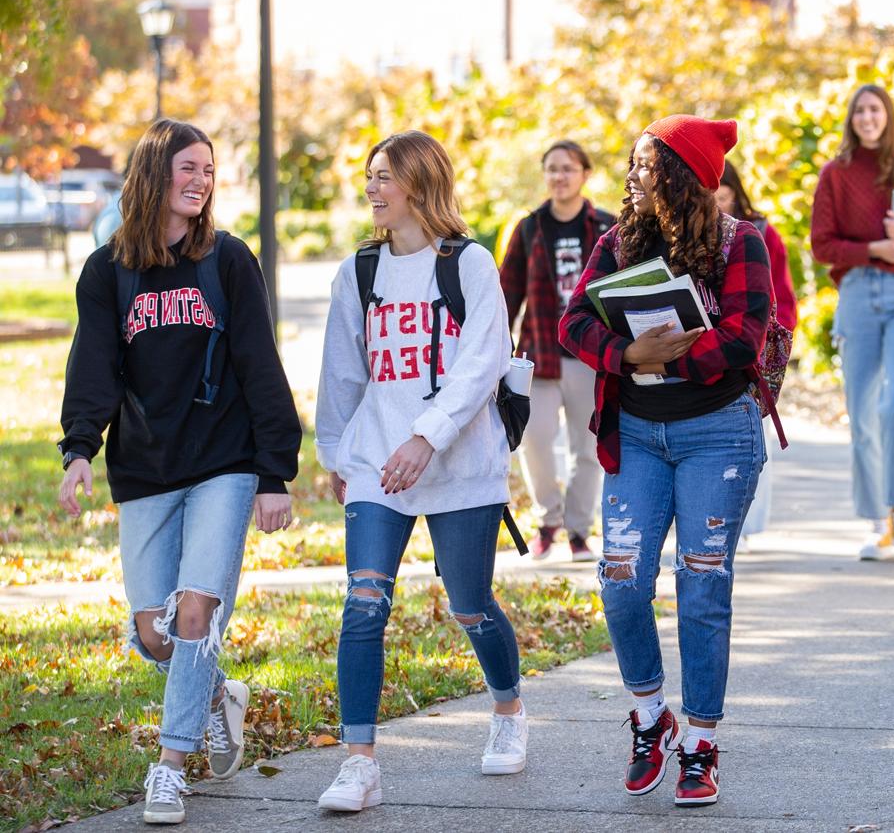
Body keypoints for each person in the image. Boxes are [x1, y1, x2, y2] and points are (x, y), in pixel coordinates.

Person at [57, 118, 302, 825]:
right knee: (153, 633)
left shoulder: (227, 261)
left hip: (223, 464)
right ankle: (220, 692)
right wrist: (79, 450)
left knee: (193, 611)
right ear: (152, 175)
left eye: (208, 170)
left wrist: (273, 472)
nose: (200, 182)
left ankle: (169, 766)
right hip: (146, 469)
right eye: (187, 169)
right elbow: (94, 364)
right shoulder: (107, 272)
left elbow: (259, 362)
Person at [560, 115, 772, 806]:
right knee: (622, 578)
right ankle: (652, 717)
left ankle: (702, 744)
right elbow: (573, 322)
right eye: (634, 166)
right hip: (639, 433)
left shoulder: (746, 242)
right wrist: (628, 354)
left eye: (649, 167)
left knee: (702, 583)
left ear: (685, 176)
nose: (636, 178)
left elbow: (746, 335)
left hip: (718, 431)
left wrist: (682, 360)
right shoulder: (618, 244)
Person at [315, 130, 526, 813]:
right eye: (369, 176)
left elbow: (480, 365)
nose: (373, 189)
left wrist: (425, 438)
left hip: (461, 461)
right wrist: (335, 454)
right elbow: (343, 370)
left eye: (385, 177)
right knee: (364, 602)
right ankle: (359, 762)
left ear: (419, 183)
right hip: (379, 461)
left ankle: (508, 710)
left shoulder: (468, 264)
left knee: (469, 604)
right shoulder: (360, 271)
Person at [499, 140, 615, 561]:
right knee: (535, 440)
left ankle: (579, 531)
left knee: (588, 450)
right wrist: (498, 351)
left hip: (590, 356)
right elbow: (505, 293)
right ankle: (550, 521)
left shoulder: (608, 227)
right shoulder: (529, 228)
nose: (559, 177)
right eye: (551, 169)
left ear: (585, 173)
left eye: (568, 168)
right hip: (539, 356)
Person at [811, 84, 894, 561]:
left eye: (876, 110)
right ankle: (879, 523)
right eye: (861, 110)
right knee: (862, 412)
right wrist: (874, 249)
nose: (868, 118)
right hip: (858, 292)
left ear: (888, 116)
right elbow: (822, 246)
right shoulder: (835, 173)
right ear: (851, 118)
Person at [715, 160, 798, 548]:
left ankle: (746, 524)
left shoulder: (761, 233)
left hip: (755, 346)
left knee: (752, 432)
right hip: (713, 347)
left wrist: (774, 342)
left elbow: (783, 292)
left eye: (722, 188)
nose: (715, 196)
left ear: (734, 189)